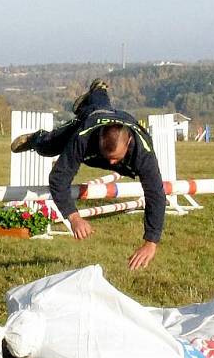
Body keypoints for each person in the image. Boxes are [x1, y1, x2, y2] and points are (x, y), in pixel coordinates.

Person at [10, 79, 165, 270]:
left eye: (116, 158)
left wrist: (151, 241)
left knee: (101, 109)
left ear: (129, 141)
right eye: (108, 157)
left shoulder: (144, 152)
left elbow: (156, 195)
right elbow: (58, 178)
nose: (111, 163)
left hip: (117, 118)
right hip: (91, 120)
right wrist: (74, 217)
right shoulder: (84, 137)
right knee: (51, 146)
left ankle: (97, 93)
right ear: (98, 139)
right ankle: (36, 138)